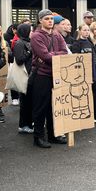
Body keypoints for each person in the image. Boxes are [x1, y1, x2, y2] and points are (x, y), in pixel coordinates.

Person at [30, 9, 68, 148]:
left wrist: (53, 54)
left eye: (51, 19)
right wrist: (54, 55)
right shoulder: (36, 36)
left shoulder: (57, 35)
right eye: (46, 19)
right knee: (41, 107)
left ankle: (53, 135)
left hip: (56, 74)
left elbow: (64, 52)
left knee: (55, 107)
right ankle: (38, 137)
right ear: (40, 21)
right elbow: (45, 56)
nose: (50, 21)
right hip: (41, 75)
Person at [71, 24, 96, 123]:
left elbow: (94, 59)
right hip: (81, 75)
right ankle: (89, 117)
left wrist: (94, 72)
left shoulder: (90, 43)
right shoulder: (76, 44)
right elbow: (75, 60)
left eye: (87, 30)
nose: (86, 32)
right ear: (80, 31)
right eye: (84, 30)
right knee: (84, 96)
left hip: (92, 73)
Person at [13, 23, 34, 134]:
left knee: (30, 102)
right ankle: (24, 125)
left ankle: (29, 123)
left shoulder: (28, 42)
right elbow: (19, 59)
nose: (32, 32)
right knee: (25, 103)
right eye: (30, 30)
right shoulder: (19, 43)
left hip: (30, 75)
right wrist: (30, 52)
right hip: (24, 76)